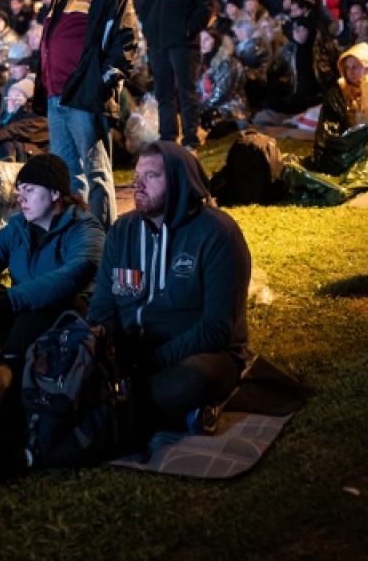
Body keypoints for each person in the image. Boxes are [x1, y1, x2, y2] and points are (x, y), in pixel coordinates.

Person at [87, 142, 250, 442]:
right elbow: (102, 305)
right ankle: (147, 413)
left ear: (178, 180)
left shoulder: (218, 235)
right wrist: (107, 350)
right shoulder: (123, 231)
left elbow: (216, 329)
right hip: (133, 353)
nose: (138, 184)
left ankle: (103, 427)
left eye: (151, 176)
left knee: (190, 380)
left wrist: (151, 362)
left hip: (197, 355)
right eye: (137, 175)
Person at [0, 153, 103, 360]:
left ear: (54, 193)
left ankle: (12, 371)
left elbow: (69, 278)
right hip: (22, 323)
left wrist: (10, 299)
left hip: (68, 330)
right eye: (19, 190)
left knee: (46, 302)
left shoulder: (85, 229)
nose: (20, 198)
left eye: (29, 190)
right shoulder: (18, 228)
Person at [36, 0, 138, 228]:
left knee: (95, 170)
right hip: (57, 92)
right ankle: (81, 237)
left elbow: (126, 36)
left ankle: (104, 236)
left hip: (85, 91)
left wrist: (105, 78)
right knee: (67, 174)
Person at [141, 0, 215, 153]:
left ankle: (191, 138)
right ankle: (168, 137)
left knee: (186, 90)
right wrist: (149, 32)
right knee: (163, 92)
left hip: (183, 43)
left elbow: (205, 5)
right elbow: (148, 6)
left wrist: (188, 29)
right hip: (158, 44)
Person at [299, 42, 368, 193]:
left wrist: (367, 82)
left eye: (355, 67)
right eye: (347, 68)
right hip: (349, 144)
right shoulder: (339, 92)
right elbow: (330, 129)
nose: (350, 72)